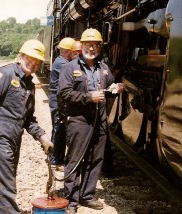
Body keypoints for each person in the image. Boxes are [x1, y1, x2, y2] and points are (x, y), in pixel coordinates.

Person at [0, 39, 54, 214]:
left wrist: (42, 136)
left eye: (37, 62)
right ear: (20, 56)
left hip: (12, 142)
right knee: (5, 190)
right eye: (29, 58)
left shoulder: (29, 84)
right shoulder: (4, 75)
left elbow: (28, 118)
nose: (33, 64)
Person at [58, 28, 124, 214]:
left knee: (96, 159)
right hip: (79, 121)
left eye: (96, 45)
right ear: (82, 47)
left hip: (99, 120)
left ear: (100, 48)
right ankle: (71, 199)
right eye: (88, 44)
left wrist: (115, 88)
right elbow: (65, 94)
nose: (92, 48)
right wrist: (89, 97)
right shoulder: (70, 68)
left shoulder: (103, 69)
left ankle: (87, 195)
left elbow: (108, 89)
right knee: (75, 159)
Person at [49, 37, 75, 165]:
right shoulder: (62, 64)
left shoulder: (60, 61)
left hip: (56, 98)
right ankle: (54, 157)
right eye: (74, 52)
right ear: (69, 52)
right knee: (58, 128)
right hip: (57, 99)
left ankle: (57, 156)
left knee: (59, 128)